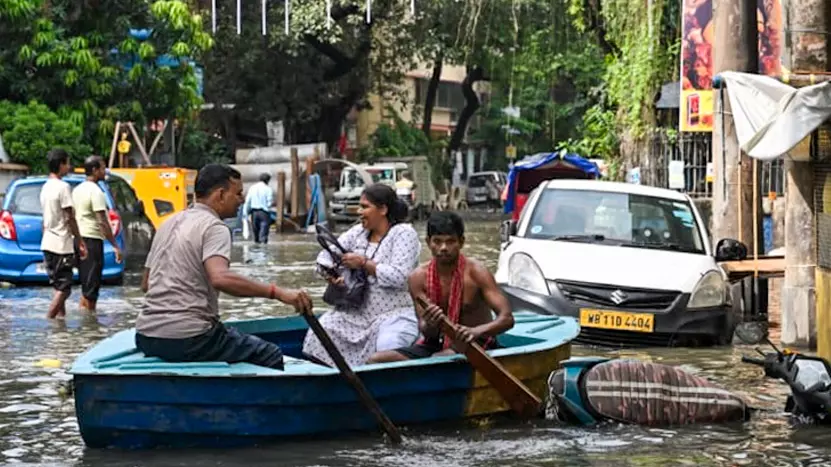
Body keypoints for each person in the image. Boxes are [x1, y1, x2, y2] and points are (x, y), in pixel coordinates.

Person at [135, 164, 312, 370]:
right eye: (237, 194)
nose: (242, 200)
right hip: (189, 339)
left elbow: (146, 284)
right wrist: (278, 293)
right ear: (220, 195)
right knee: (270, 354)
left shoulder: (167, 224)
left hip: (146, 336)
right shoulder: (215, 227)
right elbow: (221, 278)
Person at [368, 211, 514, 363]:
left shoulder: (477, 272)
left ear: (462, 242)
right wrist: (431, 323)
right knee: (376, 360)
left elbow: (507, 319)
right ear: (428, 242)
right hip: (435, 344)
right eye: (437, 241)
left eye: (450, 241)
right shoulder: (417, 278)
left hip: (476, 342)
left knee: (441, 358)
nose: (443, 247)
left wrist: (475, 331)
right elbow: (427, 332)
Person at [302, 183, 421, 367]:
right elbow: (325, 256)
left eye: (365, 207)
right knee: (320, 331)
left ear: (382, 209)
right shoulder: (358, 232)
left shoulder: (403, 233)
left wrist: (364, 264)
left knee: (387, 348)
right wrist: (331, 274)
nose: (359, 211)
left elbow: (400, 276)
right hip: (355, 314)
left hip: (393, 316)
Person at [40, 149, 88, 319]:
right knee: (65, 288)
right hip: (61, 244)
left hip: (47, 243)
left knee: (57, 285)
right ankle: (50, 318)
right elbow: (70, 217)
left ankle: (60, 324)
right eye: (67, 163)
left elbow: (44, 218)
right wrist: (80, 240)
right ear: (61, 165)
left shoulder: (45, 187)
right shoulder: (63, 187)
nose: (69, 167)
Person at [72, 156, 122, 312]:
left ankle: (85, 320)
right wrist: (115, 245)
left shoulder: (77, 190)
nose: (104, 171)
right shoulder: (96, 192)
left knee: (86, 285)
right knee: (92, 287)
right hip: (92, 241)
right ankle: (90, 325)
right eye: (102, 168)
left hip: (79, 239)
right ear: (94, 170)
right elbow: (102, 221)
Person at [242, 173, 274, 244]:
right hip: (264, 213)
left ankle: (256, 250)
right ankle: (263, 251)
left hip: (254, 213)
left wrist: (245, 213)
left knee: (256, 234)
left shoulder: (252, 188)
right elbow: (269, 203)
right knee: (263, 234)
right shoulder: (268, 189)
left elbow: (247, 201)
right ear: (268, 180)